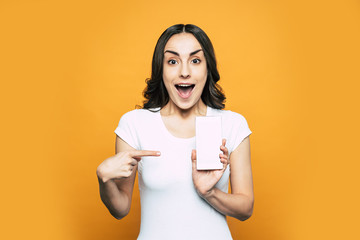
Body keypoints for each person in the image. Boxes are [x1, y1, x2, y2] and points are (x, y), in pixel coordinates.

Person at [96, 24, 254, 240]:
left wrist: (209, 193)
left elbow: (246, 208)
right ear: (160, 69)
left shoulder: (232, 124)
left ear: (208, 68)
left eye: (195, 60)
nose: (185, 71)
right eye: (172, 61)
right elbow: (121, 208)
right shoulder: (134, 124)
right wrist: (104, 180)